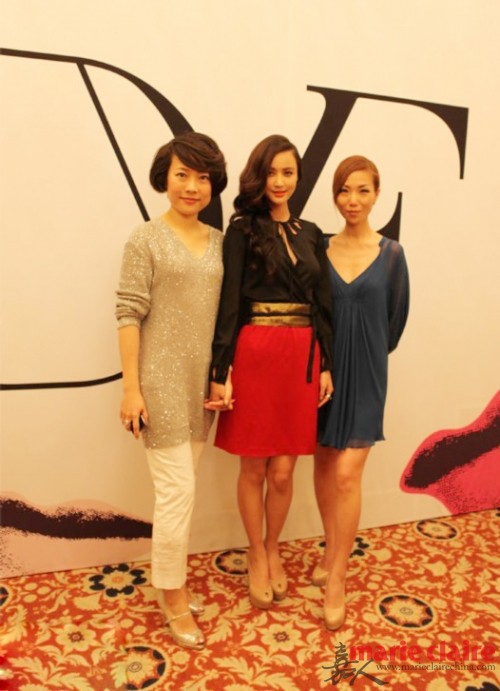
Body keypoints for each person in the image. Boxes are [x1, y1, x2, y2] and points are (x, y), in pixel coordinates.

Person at [205, 134, 334, 610]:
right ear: (258, 176)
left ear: (298, 177)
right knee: (254, 466)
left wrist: (327, 364)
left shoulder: (312, 232)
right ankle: (255, 552)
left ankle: (274, 545)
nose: (280, 181)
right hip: (255, 353)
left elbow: (323, 304)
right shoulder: (242, 230)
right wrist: (221, 368)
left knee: (283, 472)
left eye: (288, 172)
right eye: (272, 172)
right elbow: (229, 303)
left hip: (301, 358)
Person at [115, 132, 227, 650]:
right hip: (158, 385)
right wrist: (131, 389)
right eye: (183, 174)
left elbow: (225, 320)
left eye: (202, 178)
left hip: (199, 388)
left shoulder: (220, 242)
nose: (192, 186)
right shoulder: (145, 239)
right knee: (176, 492)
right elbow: (128, 313)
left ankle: (169, 579)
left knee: (184, 491)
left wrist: (225, 375)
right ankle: (173, 594)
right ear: (165, 177)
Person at [314, 155, 409, 630]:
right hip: (325, 374)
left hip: (368, 373)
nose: (353, 200)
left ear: (376, 194)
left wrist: (366, 351)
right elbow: (314, 314)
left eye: (363, 190)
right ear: (335, 195)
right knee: (324, 463)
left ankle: (338, 576)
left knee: (348, 473)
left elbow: (395, 321)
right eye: (344, 190)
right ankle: (332, 550)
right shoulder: (321, 249)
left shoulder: (392, 254)